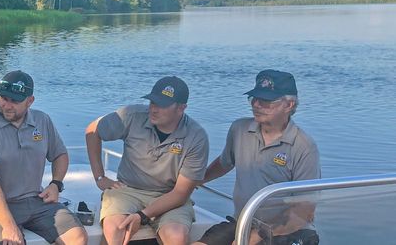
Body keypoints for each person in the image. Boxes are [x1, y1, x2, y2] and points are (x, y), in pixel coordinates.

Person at [192, 70, 320, 245]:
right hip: (244, 222)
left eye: (266, 100)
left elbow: (304, 210)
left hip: (288, 231)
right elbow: (225, 163)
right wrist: (197, 179)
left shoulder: (304, 146)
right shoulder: (239, 129)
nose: (256, 104)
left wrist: (258, 235)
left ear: (289, 105)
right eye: (254, 98)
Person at [85, 76, 209, 245]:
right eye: (152, 102)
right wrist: (100, 177)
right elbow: (93, 130)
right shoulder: (132, 115)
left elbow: (180, 194)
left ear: (181, 108)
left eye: (162, 105)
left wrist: (142, 216)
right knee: (114, 229)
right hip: (127, 190)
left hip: (170, 195)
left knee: (176, 237)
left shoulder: (196, 136)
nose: (154, 109)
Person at [0, 70, 88, 245]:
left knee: (78, 237)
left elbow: (60, 154)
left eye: (15, 101)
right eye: (3, 98)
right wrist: (9, 226)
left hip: (35, 199)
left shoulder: (42, 120)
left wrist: (56, 184)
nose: (7, 105)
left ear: (30, 101)